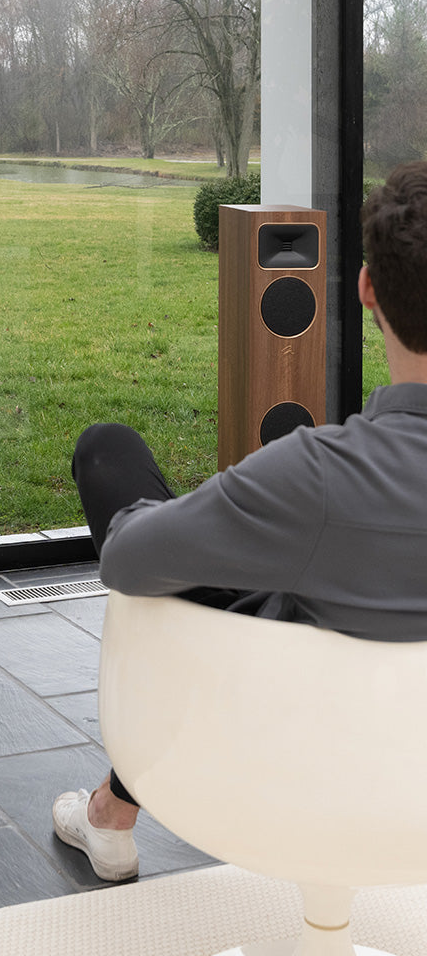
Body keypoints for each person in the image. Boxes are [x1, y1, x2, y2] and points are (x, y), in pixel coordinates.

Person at [51, 160, 427, 883]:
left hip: (292, 774)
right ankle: (109, 807)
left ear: (367, 289)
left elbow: (129, 559)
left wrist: (227, 519)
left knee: (109, 451)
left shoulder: (316, 477)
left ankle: (111, 813)